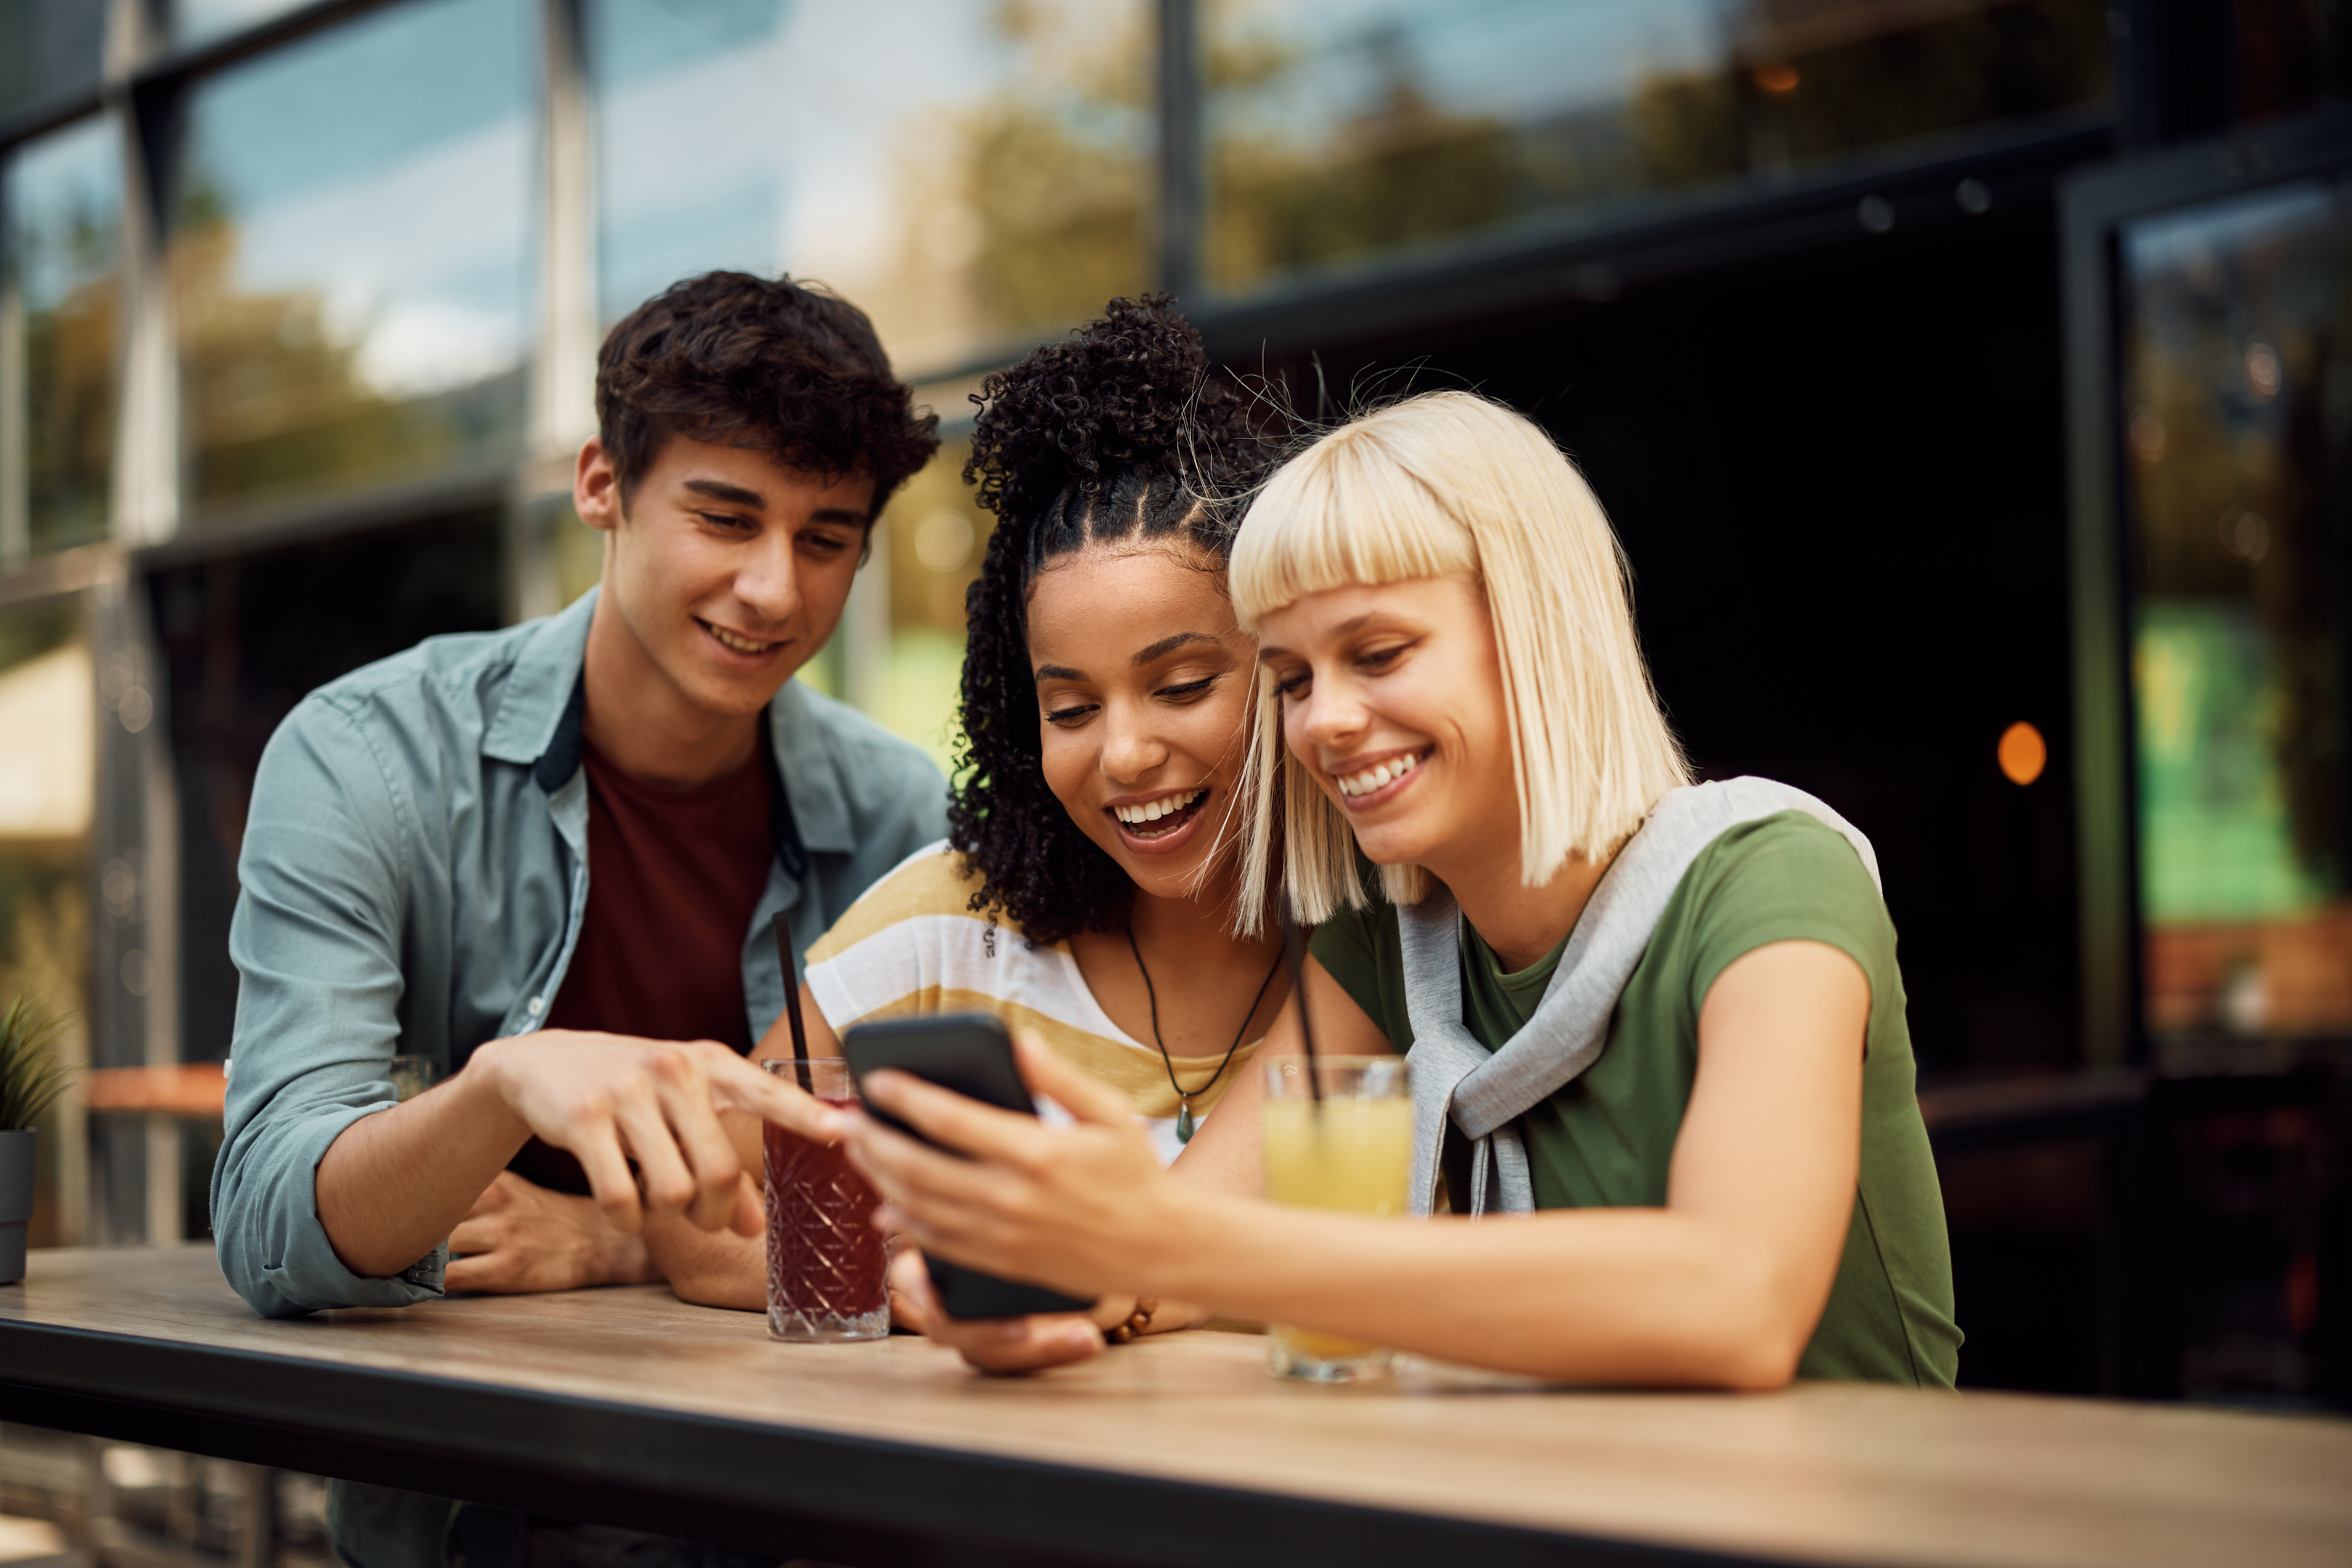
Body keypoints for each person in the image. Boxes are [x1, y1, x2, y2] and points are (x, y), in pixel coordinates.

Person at [841, 390, 1963, 1389]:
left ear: (1534, 632)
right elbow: (1178, 1246)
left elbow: (1739, 1302)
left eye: (1376, 655)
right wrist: (1047, 1296)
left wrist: (1154, 1245)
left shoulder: (1770, 874)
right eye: (1289, 676)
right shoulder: (1394, 945)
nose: (1322, 721)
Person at [211, 271, 947, 1564]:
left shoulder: (898, 813)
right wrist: (506, 1086)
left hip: (810, 1505)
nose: (775, 589)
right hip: (477, 1517)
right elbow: (271, 1220)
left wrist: (617, 1240)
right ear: (602, 484)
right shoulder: (364, 756)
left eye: (827, 539)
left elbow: (933, 1210)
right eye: (726, 518)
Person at [669, 297, 1294, 1372]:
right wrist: (920, 1276)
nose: (1127, 755)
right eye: (1071, 709)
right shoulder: (947, 927)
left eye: (1182, 685)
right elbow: (698, 1220)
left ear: (1289, 668)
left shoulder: (1394, 947)